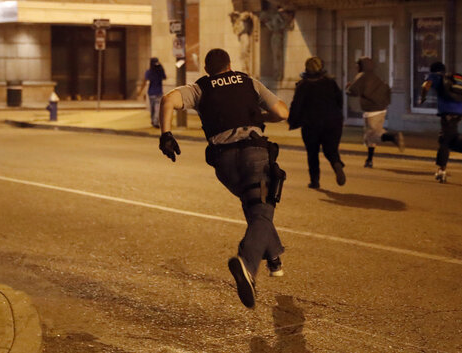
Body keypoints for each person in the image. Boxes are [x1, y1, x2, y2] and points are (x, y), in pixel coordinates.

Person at [158, 49, 289, 309]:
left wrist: (166, 134)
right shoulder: (248, 81)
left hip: (224, 162)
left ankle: (273, 255)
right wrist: (259, 116)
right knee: (262, 211)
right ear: (230, 65)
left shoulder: (200, 88)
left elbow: (168, 100)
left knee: (255, 206)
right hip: (254, 153)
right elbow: (282, 112)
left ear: (207, 69)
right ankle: (247, 265)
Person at [419, 61, 462, 183]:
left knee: (444, 141)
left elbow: (425, 85)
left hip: (447, 113)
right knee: (452, 140)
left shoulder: (436, 76)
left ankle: (442, 171)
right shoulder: (455, 78)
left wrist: (423, 97)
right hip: (460, 112)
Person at [287, 56, 345, 189]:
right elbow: (339, 101)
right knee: (331, 149)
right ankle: (336, 164)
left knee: (312, 153)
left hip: (311, 124)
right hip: (333, 122)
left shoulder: (303, 85)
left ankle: (315, 181)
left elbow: (296, 105)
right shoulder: (330, 83)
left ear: (307, 68)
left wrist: (292, 121)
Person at [345, 57, 404, 168]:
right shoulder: (375, 76)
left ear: (361, 66)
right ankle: (369, 160)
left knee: (372, 135)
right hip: (381, 108)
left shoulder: (362, 76)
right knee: (369, 136)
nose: (356, 67)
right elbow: (386, 90)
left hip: (372, 110)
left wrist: (347, 88)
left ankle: (393, 137)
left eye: (357, 65)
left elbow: (353, 91)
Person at [136, 57, 167, 128]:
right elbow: (164, 77)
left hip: (151, 93)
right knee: (157, 108)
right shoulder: (160, 72)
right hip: (158, 92)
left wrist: (140, 91)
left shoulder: (149, 72)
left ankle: (154, 120)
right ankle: (155, 121)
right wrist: (161, 67)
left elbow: (144, 81)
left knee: (153, 108)